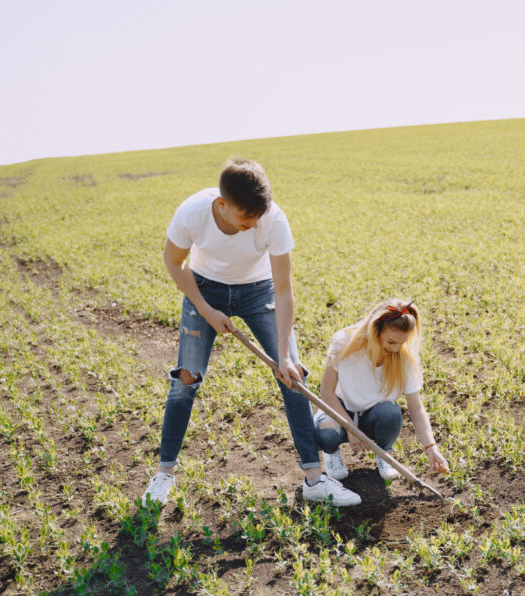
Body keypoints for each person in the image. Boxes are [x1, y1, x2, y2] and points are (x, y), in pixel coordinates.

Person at [143, 159, 361, 507]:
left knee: (294, 377)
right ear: (222, 205)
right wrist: (206, 309)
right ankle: (164, 474)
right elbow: (173, 262)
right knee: (185, 380)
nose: (251, 227)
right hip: (205, 288)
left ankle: (314, 479)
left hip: (259, 291)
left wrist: (285, 357)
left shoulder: (273, 220)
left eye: (256, 220)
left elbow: (284, 289)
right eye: (244, 221)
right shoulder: (192, 213)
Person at [314, 299, 450, 483]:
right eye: (391, 341)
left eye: (401, 343)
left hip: (373, 415)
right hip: (340, 411)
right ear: (374, 330)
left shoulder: (404, 357)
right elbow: (326, 393)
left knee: (391, 414)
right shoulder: (343, 342)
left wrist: (432, 449)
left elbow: (416, 408)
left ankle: (384, 454)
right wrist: (349, 427)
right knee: (326, 432)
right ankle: (331, 454)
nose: (395, 349)